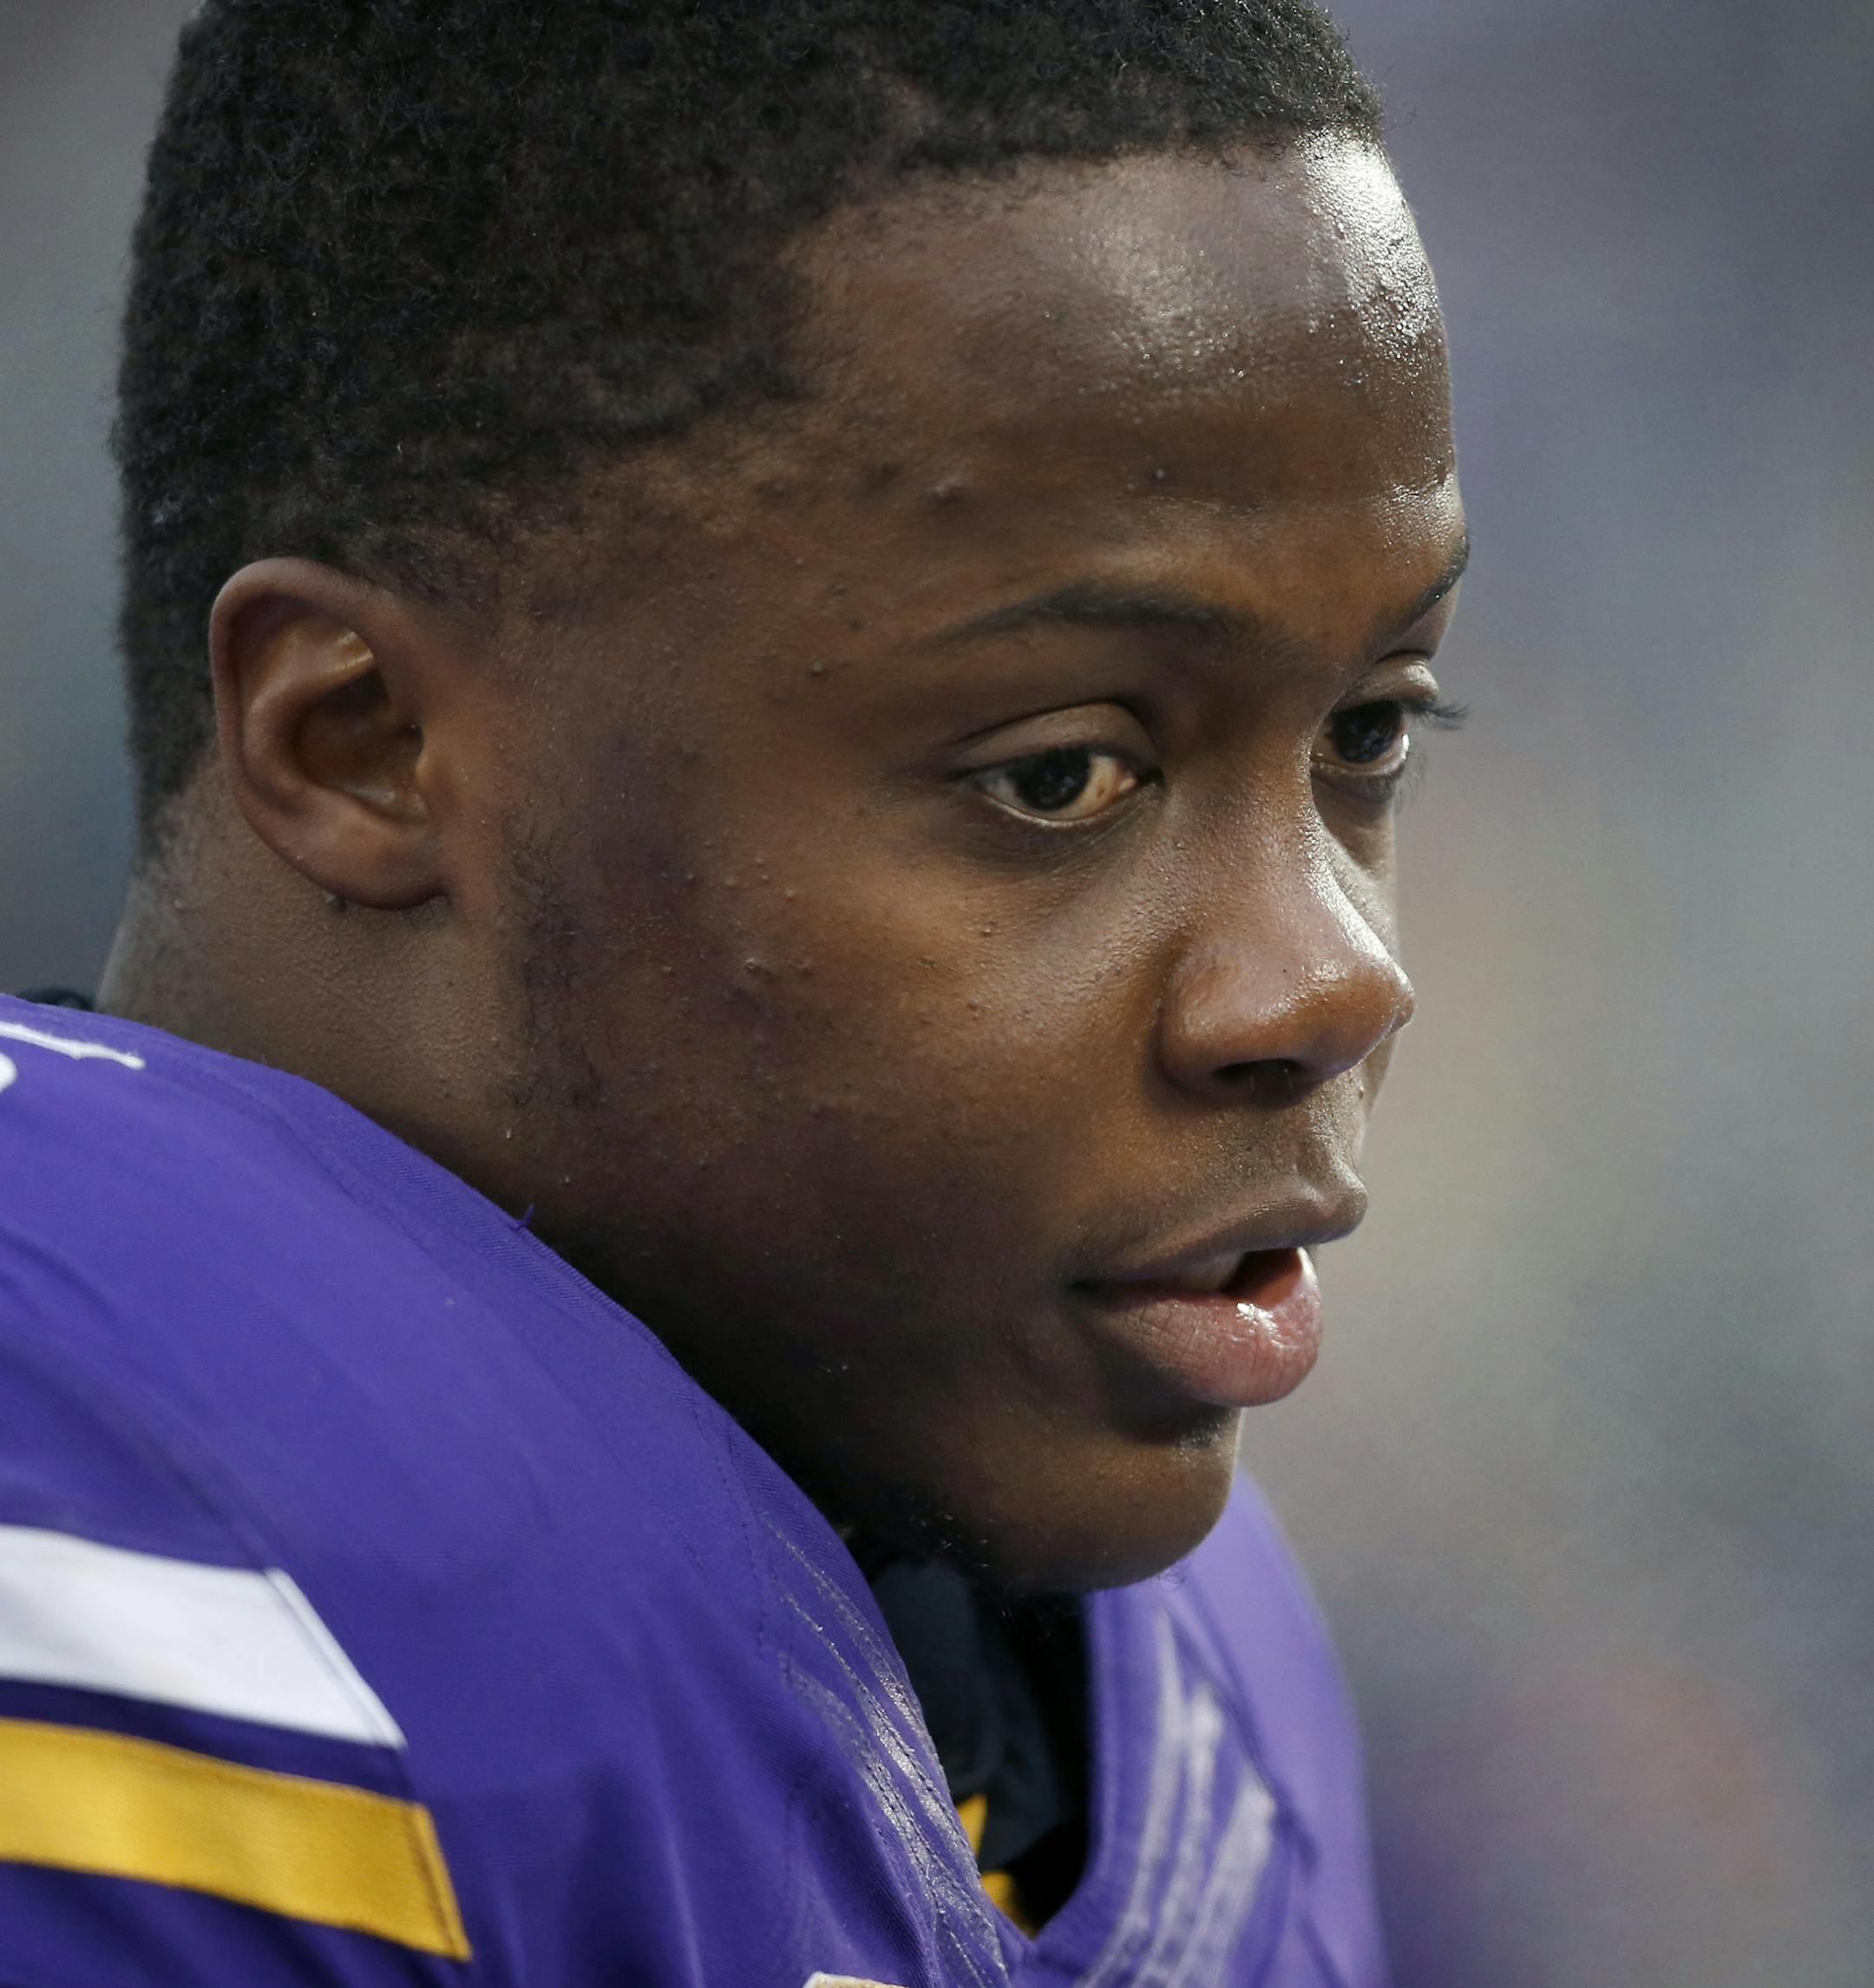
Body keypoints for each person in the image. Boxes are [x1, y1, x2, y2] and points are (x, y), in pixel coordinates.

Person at [0, 1, 1467, 1982]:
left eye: (1369, 731)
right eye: (1058, 775)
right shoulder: (114, 1539)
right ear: (361, 745)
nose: (1339, 975)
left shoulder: (1204, 1675)